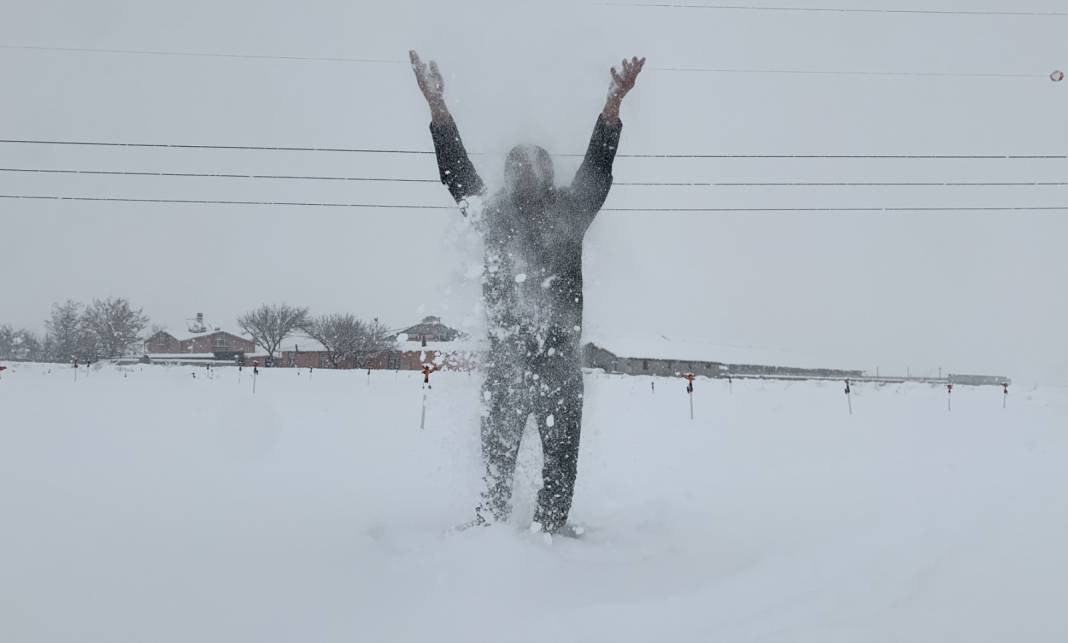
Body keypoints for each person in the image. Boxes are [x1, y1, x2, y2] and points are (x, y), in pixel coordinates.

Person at [411, 50, 644, 534]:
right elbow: (456, 175)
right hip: (506, 366)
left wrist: (612, 110)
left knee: (559, 480)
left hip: (559, 365)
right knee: (494, 479)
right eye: (516, 166)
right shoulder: (494, 218)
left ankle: (552, 546)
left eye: (534, 165)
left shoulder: (568, 215)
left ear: (548, 174)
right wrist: (438, 110)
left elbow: (597, 174)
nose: (525, 173)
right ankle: (490, 541)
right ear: (508, 175)